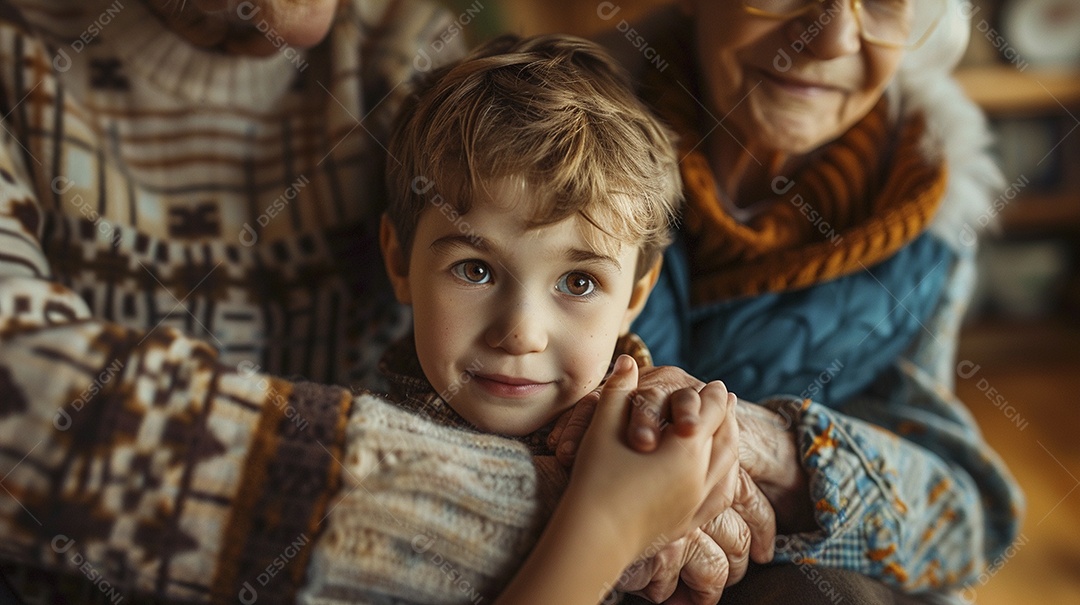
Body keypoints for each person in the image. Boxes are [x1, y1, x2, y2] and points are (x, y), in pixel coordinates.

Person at [0, 2, 763, 604]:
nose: (522, 333)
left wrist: (670, 419)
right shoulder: (379, 431)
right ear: (397, 259)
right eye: (474, 269)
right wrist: (608, 521)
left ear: (636, 293)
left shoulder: (413, 49)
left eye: (578, 282)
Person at [549, 0, 1024, 602]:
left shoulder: (921, 212)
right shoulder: (528, 138)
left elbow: (961, 525)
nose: (833, 40)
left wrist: (767, 446)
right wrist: (619, 494)